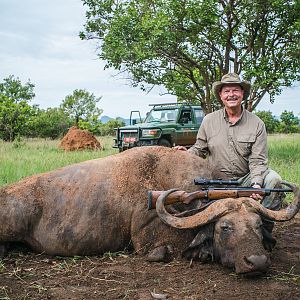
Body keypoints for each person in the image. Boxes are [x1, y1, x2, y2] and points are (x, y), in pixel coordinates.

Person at [174, 73, 284, 211]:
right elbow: (199, 149)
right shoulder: (209, 120)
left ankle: (263, 227)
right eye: (227, 91)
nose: (231, 94)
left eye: (235, 90)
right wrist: (185, 154)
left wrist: (256, 184)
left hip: (245, 179)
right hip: (214, 181)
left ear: (242, 93)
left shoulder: (257, 123)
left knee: (274, 180)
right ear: (221, 95)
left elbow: (258, 160)